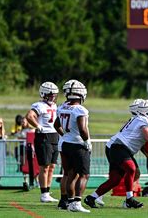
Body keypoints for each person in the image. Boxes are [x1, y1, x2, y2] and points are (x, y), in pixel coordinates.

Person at [84, 99, 148, 210]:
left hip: (117, 147)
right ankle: (129, 199)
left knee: (115, 179)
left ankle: (91, 197)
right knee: (131, 169)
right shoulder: (143, 120)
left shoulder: (137, 119)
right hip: (119, 148)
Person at [54, 79, 91, 213]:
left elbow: (56, 125)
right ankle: (76, 202)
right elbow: (82, 129)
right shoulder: (80, 109)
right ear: (81, 95)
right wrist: (86, 141)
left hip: (64, 144)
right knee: (84, 174)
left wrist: (64, 135)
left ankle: (69, 202)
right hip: (78, 144)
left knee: (70, 174)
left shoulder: (61, 107)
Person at [25, 82, 60, 203]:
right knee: (44, 166)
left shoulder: (55, 105)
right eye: (51, 95)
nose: (53, 97)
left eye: (54, 95)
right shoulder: (39, 105)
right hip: (43, 136)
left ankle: (47, 192)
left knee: (52, 166)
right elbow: (29, 116)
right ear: (44, 94)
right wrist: (38, 126)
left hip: (54, 135)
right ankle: (43, 193)